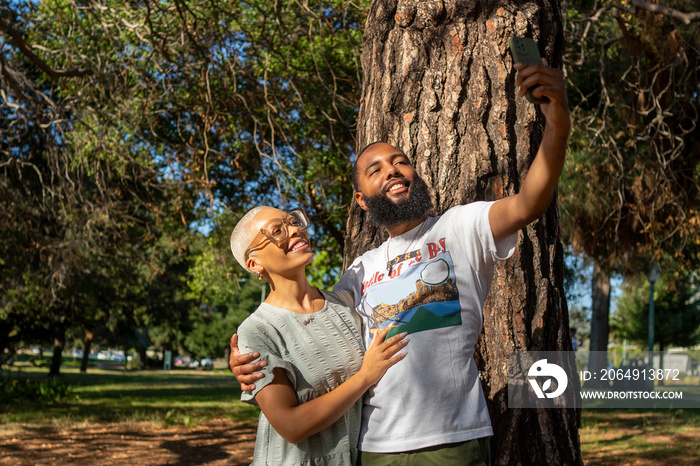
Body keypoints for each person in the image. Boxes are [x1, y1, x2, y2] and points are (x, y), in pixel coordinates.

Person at [231, 60, 571, 464]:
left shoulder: (459, 227)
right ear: (361, 199)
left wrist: (558, 124)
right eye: (374, 170)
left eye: (399, 162)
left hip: (453, 439)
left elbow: (529, 202)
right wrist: (243, 359)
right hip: (375, 447)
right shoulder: (359, 271)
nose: (392, 170)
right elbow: (305, 322)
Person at [229, 206, 409, 465]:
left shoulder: (346, 303)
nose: (295, 230)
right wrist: (365, 377)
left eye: (293, 221)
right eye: (278, 231)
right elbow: (291, 426)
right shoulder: (257, 330)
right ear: (254, 263)